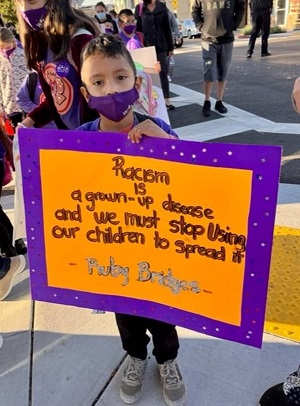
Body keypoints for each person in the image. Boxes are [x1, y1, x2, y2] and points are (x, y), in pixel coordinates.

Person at [77, 34, 187, 406]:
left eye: (121, 77)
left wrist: (169, 146)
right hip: (113, 261)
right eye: (98, 82)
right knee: (126, 317)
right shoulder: (76, 145)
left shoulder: (160, 131)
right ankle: (137, 357)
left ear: (136, 82)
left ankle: (167, 360)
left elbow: (193, 187)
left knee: (163, 319)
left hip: (160, 256)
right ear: (86, 92)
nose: (111, 89)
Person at [15, 0, 100, 130]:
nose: (25, 9)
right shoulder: (42, 48)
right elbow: (56, 97)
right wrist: (27, 123)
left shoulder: (80, 40)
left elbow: (105, 94)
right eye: (20, 2)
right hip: (70, 137)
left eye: (32, 1)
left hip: (94, 137)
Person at [192, 0, 245, 116]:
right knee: (209, 72)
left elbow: (241, 6)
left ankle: (219, 101)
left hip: (226, 39)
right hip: (208, 39)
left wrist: (234, 24)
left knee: (223, 72)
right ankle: (207, 101)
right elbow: (195, 10)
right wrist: (201, 26)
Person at [134, 0, 175, 110]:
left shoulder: (161, 6)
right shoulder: (140, 8)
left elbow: (167, 27)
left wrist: (170, 46)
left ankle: (166, 99)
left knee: (162, 72)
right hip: (146, 46)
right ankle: (150, 100)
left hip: (161, 45)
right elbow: (138, 29)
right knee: (148, 73)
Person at [0, 27, 28, 129]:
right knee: (17, 136)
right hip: (10, 106)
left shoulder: (24, 54)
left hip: (27, 104)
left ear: (13, 41)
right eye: (1, 48)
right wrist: (1, 108)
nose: (5, 51)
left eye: (8, 47)